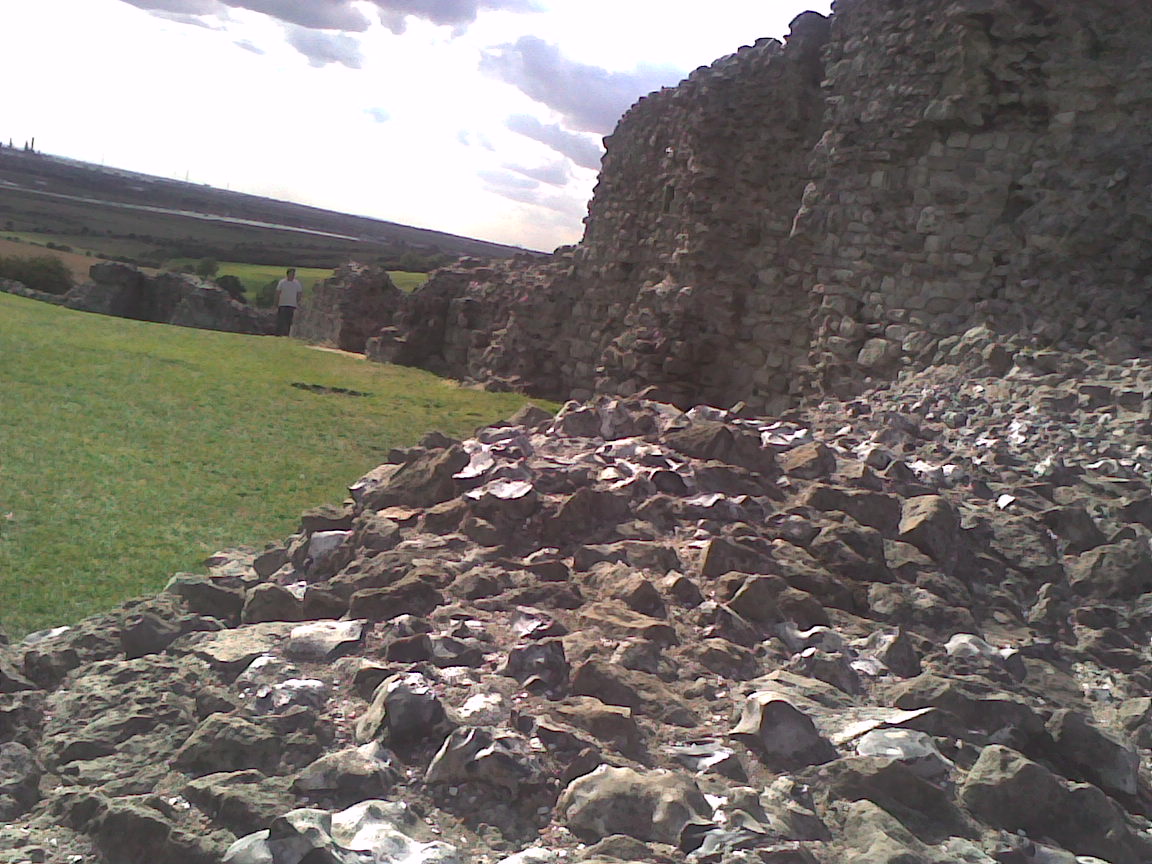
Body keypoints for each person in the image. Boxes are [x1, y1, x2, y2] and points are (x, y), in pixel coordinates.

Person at [274, 268, 303, 336]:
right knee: (281, 320)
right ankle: (278, 334)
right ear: (288, 274)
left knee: (289, 321)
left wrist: (298, 303)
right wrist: (276, 303)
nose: (293, 275)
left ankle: (287, 334)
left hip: (292, 305)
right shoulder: (282, 282)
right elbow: (278, 292)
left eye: (294, 274)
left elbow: (299, 294)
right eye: (291, 273)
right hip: (282, 304)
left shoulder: (297, 283)